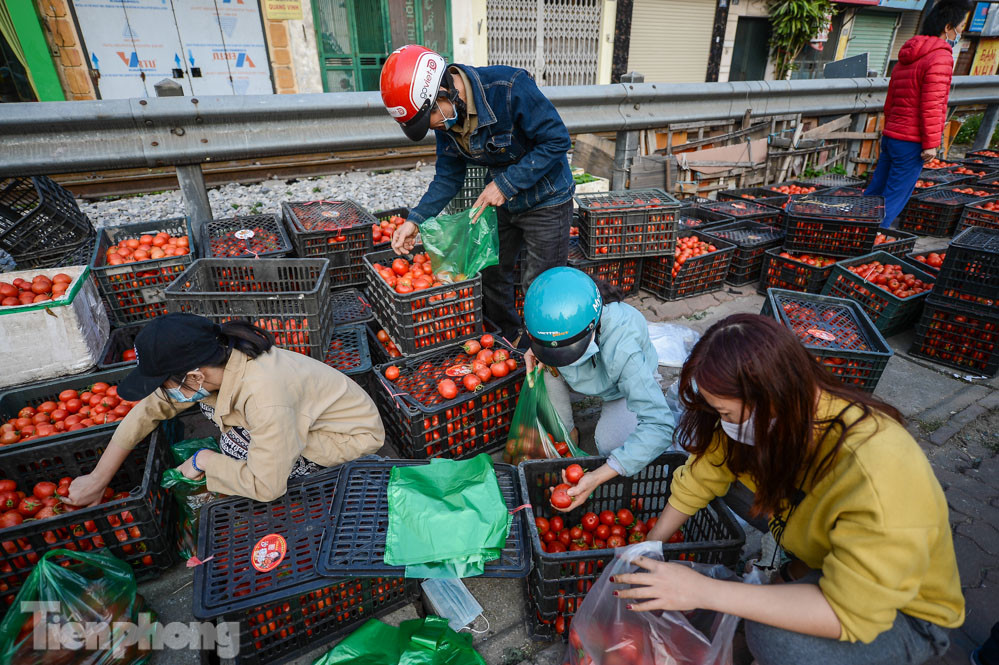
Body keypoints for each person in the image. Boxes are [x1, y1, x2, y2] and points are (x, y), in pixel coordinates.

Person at [612, 314, 963, 665]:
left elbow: (848, 614)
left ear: (773, 398)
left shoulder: (877, 471)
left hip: (902, 614)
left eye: (728, 415)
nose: (724, 425)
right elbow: (703, 475)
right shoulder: (779, 420)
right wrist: (649, 547)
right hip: (826, 561)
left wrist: (704, 591)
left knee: (772, 637)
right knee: (751, 586)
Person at [68, 314, 384, 504]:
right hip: (299, 418)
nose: (164, 393)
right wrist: (98, 478)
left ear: (193, 376)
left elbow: (266, 486)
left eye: (163, 383)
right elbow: (150, 409)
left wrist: (204, 461)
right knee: (231, 439)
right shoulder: (215, 362)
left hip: (346, 440)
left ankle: (324, 484)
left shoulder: (264, 395)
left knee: (234, 450)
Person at [379, 44, 574, 344]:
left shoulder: (508, 88)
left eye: (430, 119)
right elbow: (447, 177)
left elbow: (557, 140)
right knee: (493, 275)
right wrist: (414, 221)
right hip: (503, 203)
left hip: (546, 199)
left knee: (539, 285)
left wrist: (505, 185)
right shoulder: (448, 120)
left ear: (444, 92)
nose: (436, 128)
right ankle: (508, 342)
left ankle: (546, 352)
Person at [522, 267, 675, 509]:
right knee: (543, 369)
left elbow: (660, 425)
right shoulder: (557, 329)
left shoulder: (625, 346)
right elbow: (550, 339)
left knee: (612, 445)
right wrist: (539, 349)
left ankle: (606, 423)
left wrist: (599, 476)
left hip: (621, 390)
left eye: (566, 349)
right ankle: (568, 435)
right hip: (585, 377)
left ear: (593, 326)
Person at [865, 0, 971, 228]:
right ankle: (868, 240)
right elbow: (933, 105)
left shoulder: (908, 53)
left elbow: (891, 100)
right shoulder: (940, 57)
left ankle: (850, 230)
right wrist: (931, 144)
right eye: (960, 26)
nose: (961, 32)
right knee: (893, 197)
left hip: (892, 136)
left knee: (875, 190)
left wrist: (891, 128)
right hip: (911, 141)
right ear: (947, 27)